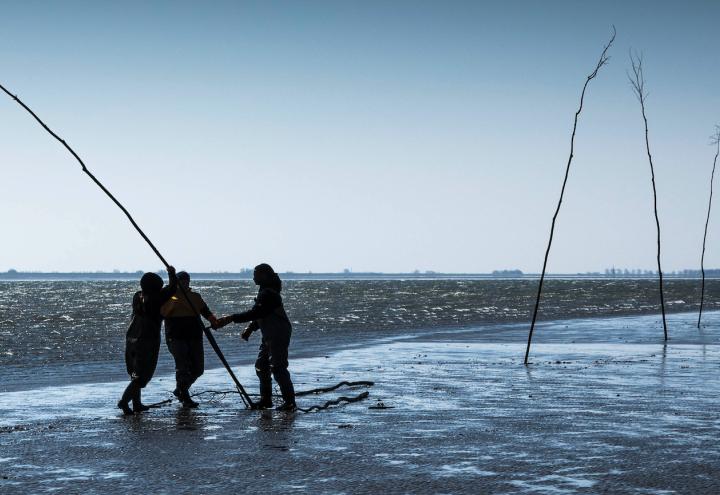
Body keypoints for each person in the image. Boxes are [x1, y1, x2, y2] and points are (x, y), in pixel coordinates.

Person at [214, 263, 296, 411]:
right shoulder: (264, 291)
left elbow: (257, 313)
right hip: (269, 334)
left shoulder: (269, 294)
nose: (253, 278)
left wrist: (231, 318)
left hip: (277, 334)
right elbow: (260, 314)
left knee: (278, 368)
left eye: (255, 274)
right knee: (261, 366)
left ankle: (290, 403)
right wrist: (251, 329)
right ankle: (266, 401)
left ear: (263, 275)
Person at [118, 266, 177, 415]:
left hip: (132, 336)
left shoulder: (137, 296)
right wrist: (172, 273)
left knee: (134, 373)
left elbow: (168, 290)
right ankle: (124, 401)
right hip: (147, 339)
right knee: (142, 375)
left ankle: (137, 404)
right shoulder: (156, 299)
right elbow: (172, 290)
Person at [161, 271, 218, 408]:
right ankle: (185, 396)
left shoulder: (195, 296)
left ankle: (181, 388)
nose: (185, 283)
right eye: (182, 281)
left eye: (187, 281)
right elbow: (163, 313)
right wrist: (176, 301)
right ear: (177, 282)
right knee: (182, 367)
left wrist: (215, 322)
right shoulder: (169, 297)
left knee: (198, 369)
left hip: (195, 336)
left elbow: (207, 313)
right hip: (176, 337)